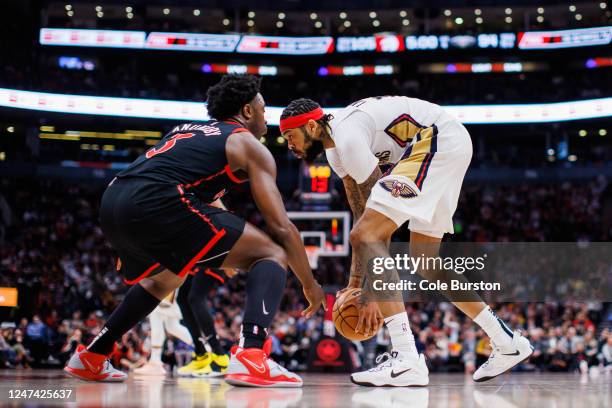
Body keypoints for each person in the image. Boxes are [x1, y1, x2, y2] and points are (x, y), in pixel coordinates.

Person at [65, 75, 326, 388]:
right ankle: (252, 355)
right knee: (271, 252)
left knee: (167, 277)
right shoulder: (247, 144)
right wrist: (309, 284)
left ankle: (94, 355)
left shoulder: (187, 130)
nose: (266, 117)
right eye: (262, 109)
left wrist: (230, 246)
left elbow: (209, 201)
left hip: (113, 200)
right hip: (158, 201)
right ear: (246, 111)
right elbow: (281, 226)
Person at [280, 96, 533, 386]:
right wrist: (354, 284)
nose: (289, 145)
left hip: (437, 140)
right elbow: (362, 211)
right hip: (446, 144)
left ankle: (406, 357)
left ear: (311, 126)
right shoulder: (337, 150)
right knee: (425, 261)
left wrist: (373, 291)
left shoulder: (348, 138)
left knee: (368, 235)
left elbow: (374, 232)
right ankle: (506, 340)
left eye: (290, 136)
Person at [176, 268, 234, 377]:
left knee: (196, 298)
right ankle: (201, 354)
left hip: (213, 254)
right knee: (182, 299)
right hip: (195, 256)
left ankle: (220, 356)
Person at [133, 290, 193, 376]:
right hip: (168, 287)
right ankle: (203, 347)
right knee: (172, 326)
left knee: (157, 317)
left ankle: (155, 362)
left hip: (166, 287)